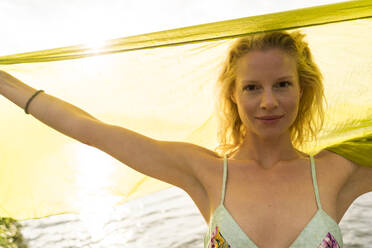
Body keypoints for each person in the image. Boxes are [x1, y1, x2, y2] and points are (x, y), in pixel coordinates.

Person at [0, 30, 371, 248]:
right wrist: (4, 82)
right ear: (234, 96)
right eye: (252, 87)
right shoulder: (207, 173)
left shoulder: (336, 172)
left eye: (283, 85)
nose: (268, 101)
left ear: (303, 90)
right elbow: (92, 130)